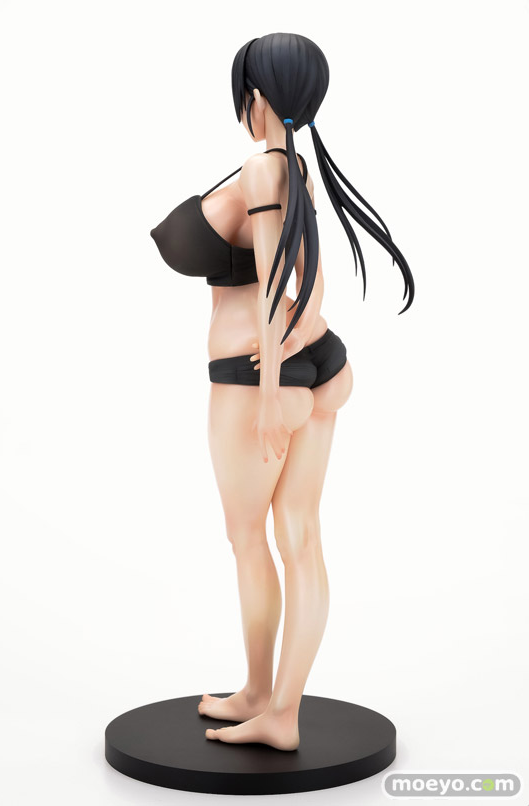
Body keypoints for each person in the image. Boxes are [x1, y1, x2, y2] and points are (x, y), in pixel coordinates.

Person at [150, 32, 414, 752]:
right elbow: (310, 287)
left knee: (248, 541)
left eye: (244, 91)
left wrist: (269, 388)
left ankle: (270, 703)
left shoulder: (261, 166)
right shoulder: (295, 166)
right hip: (321, 364)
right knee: (299, 538)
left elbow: (272, 284)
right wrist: (298, 351)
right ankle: (271, 704)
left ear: (257, 95)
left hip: (254, 375)